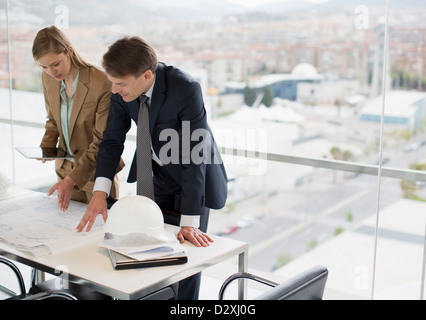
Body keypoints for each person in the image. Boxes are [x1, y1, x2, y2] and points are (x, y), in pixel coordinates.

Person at [76, 36, 228, 299]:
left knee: (186, 262)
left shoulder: (185, 87)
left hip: (191, 180)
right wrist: (99, 193)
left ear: (147, 76)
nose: (113, 90)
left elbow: (195, 153)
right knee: (147, 254)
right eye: (112, 82)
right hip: (154, 176)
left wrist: (190, 221)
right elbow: (112, 140)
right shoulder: (121, 89)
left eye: (120, 84)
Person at [32, 26, 124, 211]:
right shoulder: (49, 77)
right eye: (44, 66)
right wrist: (48, 147)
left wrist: (72, 179)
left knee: (99, 233)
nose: (51, 71)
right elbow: (53, 118)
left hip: (97, 175)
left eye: (56, 64)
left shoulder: (101, 82)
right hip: (64, 170)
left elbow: (103, 140)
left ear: (69, 51)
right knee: (65, 232)